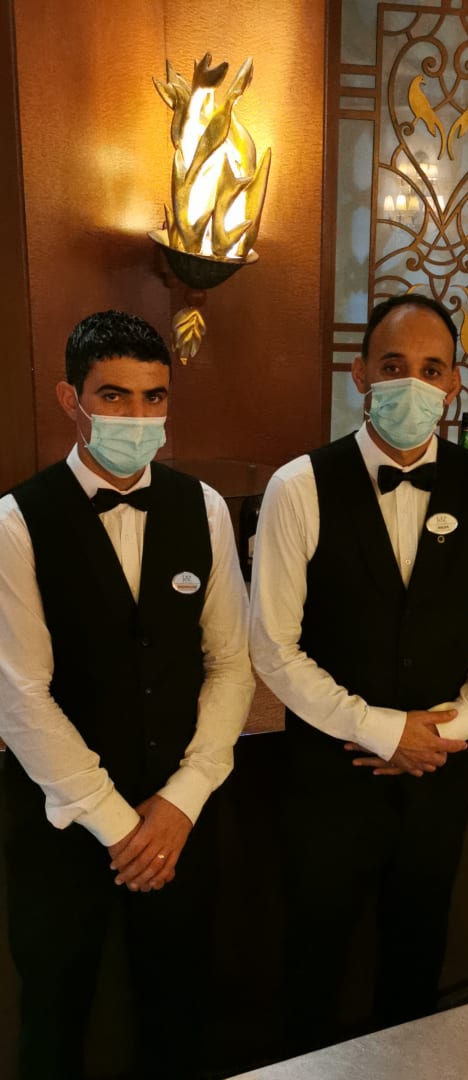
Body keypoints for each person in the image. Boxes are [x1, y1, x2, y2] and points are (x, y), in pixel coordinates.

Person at [249, 293, 468, 1053]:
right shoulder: (298, 486)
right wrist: (380, 730)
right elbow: (273, 646)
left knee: (418, 950)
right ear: (361, 373)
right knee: (313, 954)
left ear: (454, 383)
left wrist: (451, 730)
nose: (413, 383)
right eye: (394, 365)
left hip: (440, 771)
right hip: (328, 777)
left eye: (432, 369)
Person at [0, 310, 255, 1079]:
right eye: (113, 396)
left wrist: (182, 800)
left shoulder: (203, 507)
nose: (138, 416)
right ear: (70, 400)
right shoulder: (15, 521)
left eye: (154, 397)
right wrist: (121, 828)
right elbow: (20, 696)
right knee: (54, 1020)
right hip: (62, 826)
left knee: (177, 1015)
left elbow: (231, 663)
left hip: (180, 815)